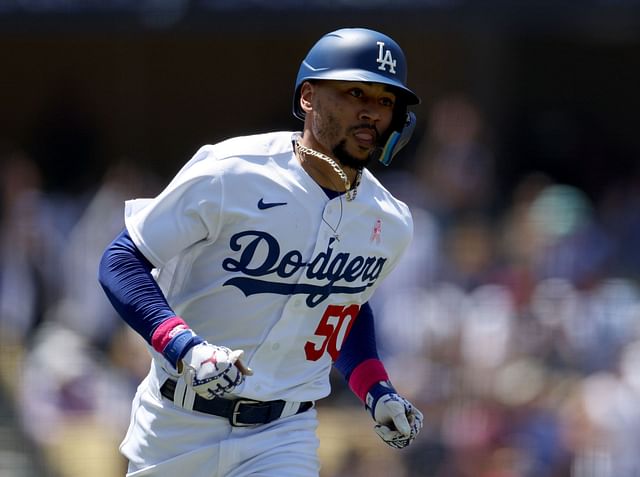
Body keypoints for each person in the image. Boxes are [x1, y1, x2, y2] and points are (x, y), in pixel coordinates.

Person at [98, 27, 423, 477]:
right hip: (176, 426)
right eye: (355, 92)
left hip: (282, 436)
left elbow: (343, 306)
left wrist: (376, 389)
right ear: (308, 97)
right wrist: (182, 345)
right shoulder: (231, 171)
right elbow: (122, 259)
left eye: (386, 101)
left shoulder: (391, 222)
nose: (371, 112)